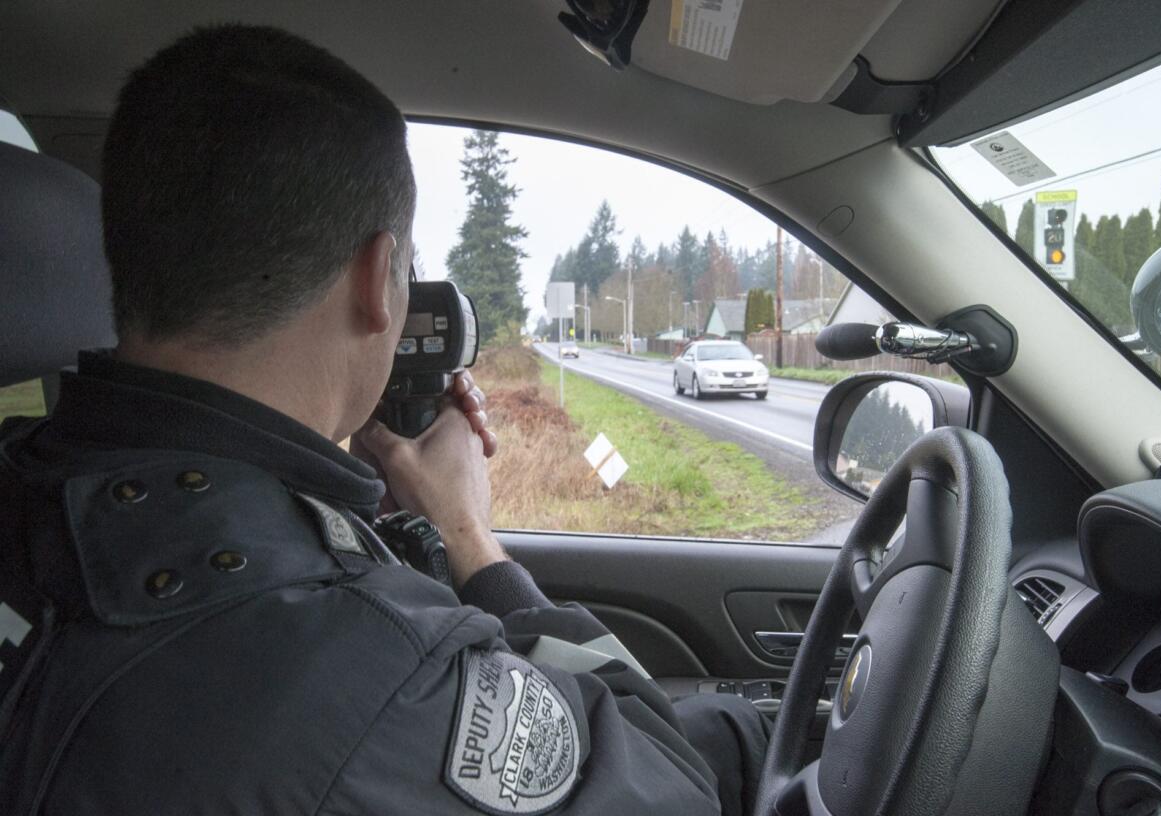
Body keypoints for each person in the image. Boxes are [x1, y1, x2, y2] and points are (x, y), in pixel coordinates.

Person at [0, 24, 769, 815]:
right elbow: (676, 785)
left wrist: (323, 504)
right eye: (407, 269)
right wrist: (468, 533)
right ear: (378, 279)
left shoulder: (30, 484)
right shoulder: (370, 676)